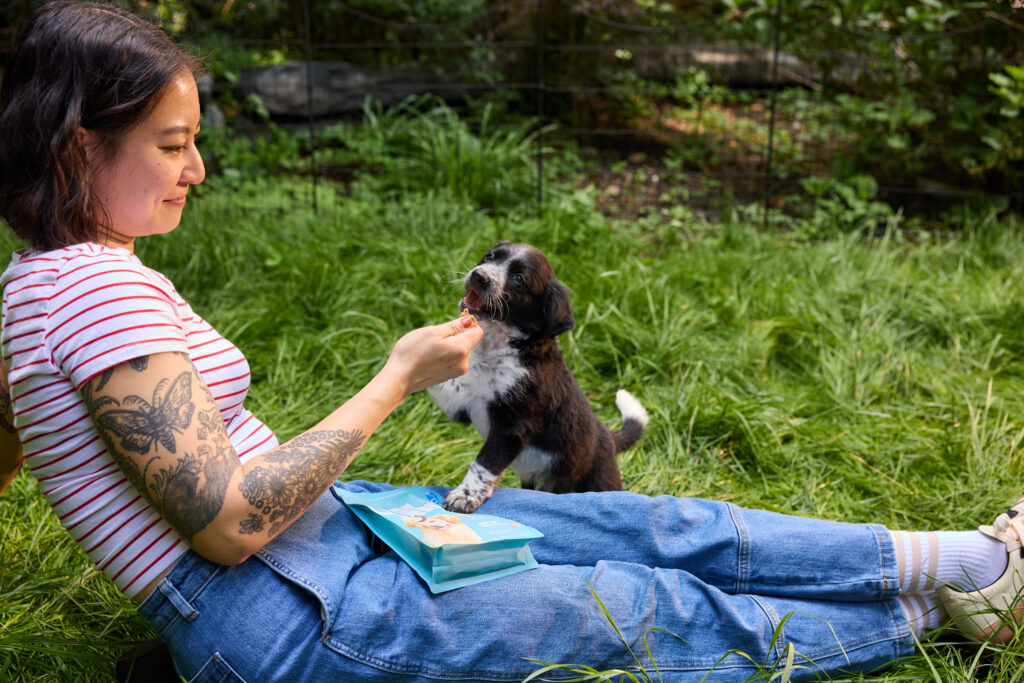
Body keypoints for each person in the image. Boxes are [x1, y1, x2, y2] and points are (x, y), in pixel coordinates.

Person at [0, 3, 1021, 681]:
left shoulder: (40, 282)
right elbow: (228, 524)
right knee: (647, 605)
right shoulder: (95, 290)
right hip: (292, 613)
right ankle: (947, 610)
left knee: (648, 526)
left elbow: (13, 420)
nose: (198, 169)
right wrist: (396, 378)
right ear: (81, 144)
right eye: (173, 145)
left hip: (327, 541)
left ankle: (968, 557)